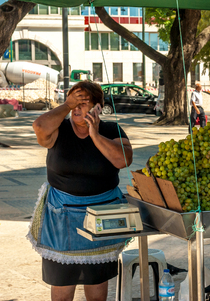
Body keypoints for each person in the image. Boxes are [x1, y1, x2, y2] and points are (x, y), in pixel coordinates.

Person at [27, 81, 133, 301]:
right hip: (61, 217)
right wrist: (66, 105)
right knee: (63, 287)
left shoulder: (110, 130)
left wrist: (94, 135)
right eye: (73, 103)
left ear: (98, 107)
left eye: (83, 103)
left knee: (96, 285)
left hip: (101, 217)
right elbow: (39, 127)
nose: (76, 108)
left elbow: (123, 160)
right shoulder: (59, 128)